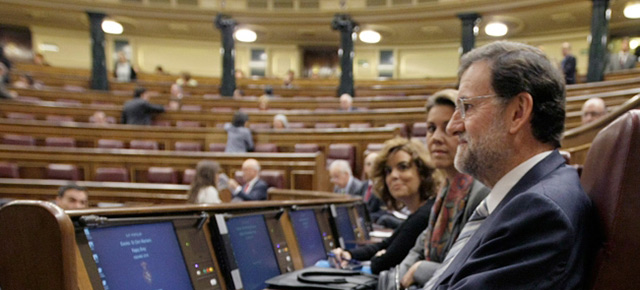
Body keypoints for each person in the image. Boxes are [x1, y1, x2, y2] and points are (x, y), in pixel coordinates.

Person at [423, 41, 594, 289]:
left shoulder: (540, 212)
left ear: (518, 112)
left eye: (466, 107)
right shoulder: (523, 198)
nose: (453, 126)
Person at [383, 89, 489, 289]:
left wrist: (420, 269)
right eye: (431, 128)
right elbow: (419, 248)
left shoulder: (481, 192)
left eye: (448, 126)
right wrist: (398, 281)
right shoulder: (444, 190)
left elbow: (469, 272)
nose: (436, 138)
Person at [331, 138, 437, 275]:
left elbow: (382, 263)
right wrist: (349, 254)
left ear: (422, 172)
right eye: (388, 170)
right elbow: (384, 245)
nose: (393, 176)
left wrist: (379, 258)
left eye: (403, 167)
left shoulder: (425, 214)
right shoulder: (417, 213)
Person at [359, 152, 385, 223]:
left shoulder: (384, 186)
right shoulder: (364, 185)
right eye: (366, 164)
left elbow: (383, 212)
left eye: (370, 164)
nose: (367, 167)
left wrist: (365, 219)